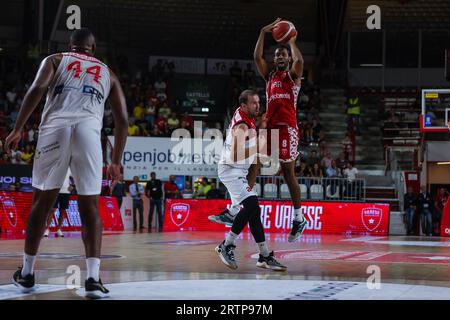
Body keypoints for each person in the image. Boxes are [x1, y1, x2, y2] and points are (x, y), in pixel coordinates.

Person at [5, 28, 128, 298]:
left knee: (41, 202)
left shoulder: (55, 60)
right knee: (90, 207)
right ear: (93, 49)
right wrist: (116, 161)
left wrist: (18, 129)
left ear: (71, 46)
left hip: (55, 130)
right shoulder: (109, 73)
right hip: (89, 133)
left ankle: (26, 274)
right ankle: (93, 279)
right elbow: (122, 120)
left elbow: (37, 88)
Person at [214, 89, 286, 271]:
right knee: (253, 206)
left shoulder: (249, 120)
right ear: (243, 105)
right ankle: (226, 245)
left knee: (254, 212)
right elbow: (235, 154)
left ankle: (264, 255)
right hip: (230, 170)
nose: (258, 106)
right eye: (254, 103)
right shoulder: (242, 126)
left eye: (259, 102)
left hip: (239, 171)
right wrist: (258, 150)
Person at [253, 18, 307, 242]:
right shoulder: (270, 76)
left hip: (287, 129)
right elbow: (257, 57)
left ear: (288, 58)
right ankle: (237, 208)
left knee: (287, 173)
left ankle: (298, 217)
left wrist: (291, 41)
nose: (279, 57)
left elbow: (300, 62)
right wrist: (262, 31)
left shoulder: (293, 77)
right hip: (270, 127)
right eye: (277, 55)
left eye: (283, 54)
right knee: (253, 163)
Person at [44, 169, 73, 238]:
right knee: (52, 210)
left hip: (66, 192)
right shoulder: (55, 166)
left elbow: (76, 176)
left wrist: (72, 185)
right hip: (55, 191)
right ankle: (47, 229)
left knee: (62, 211)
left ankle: (59, 229)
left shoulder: (69, 168)